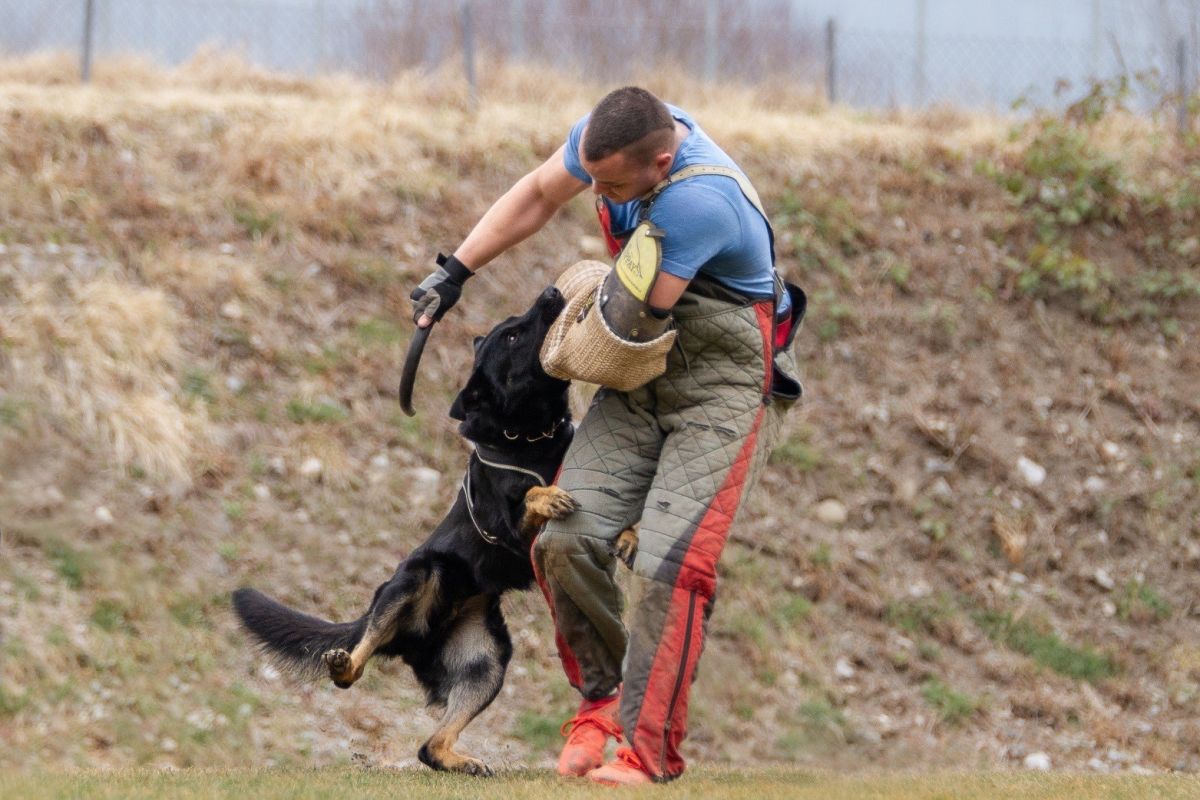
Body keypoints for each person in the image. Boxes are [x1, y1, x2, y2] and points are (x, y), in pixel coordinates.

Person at [410, 86, 801, 786]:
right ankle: (602, 701)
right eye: (592, 177)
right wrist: (455, 270)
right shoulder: (612, 139)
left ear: (661, 162)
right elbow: (539, 192)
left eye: (613, 185)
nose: (597, 193)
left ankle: (648, 754)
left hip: (722, 383)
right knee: (563, 540)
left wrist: (557, 340)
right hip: (645, 376)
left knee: (671, 564)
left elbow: (631, 323)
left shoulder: (698, 202)